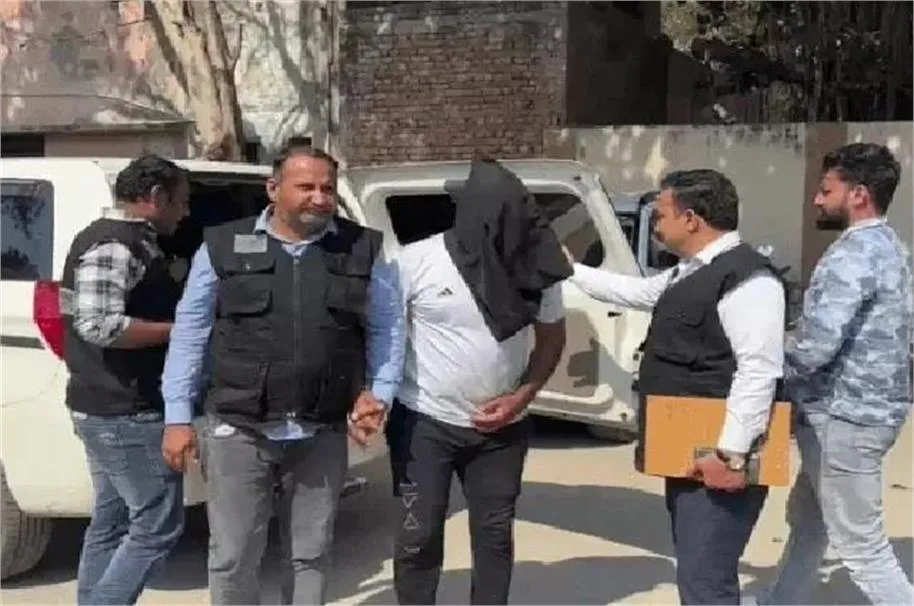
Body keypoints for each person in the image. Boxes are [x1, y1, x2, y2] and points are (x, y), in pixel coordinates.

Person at [159, 143, 405, 605]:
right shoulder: (222, 246)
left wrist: (379, 393)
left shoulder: (363, 249)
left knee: (311, 553)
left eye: (327, 188)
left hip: (320, 430)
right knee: (234, 555)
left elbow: (387, 327)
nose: (319, 198)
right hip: (238, 428)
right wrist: (176, 417)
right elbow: (190, 332)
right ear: (273, 189)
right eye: (306, 186)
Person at [565, 169, 786, 605]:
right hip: (691, 448)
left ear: (691, 219)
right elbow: (634, 292)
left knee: (706, 580)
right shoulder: (689, 272)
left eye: (662, 214)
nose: (658, 225)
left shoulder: (749, 280)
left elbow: (758, 372)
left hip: (719, 455)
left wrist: (730, 455)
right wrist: (567, 269)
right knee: (697, 573)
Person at [375, 158, 570, 604]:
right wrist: (374, 397)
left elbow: (552, 338)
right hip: (424, 423)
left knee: (494, 535)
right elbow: (384, 338)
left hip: (504, 429)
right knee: (418, 534)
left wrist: (522, 396)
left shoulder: (536, 267)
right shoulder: (415, 262)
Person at [754, 143, 913, 605]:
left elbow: (814, 347)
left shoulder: (852, 255)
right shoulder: (890, 246)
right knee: (809, 522)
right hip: (863, 414)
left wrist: (760, 358)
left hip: (844, 420)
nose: (817, 200)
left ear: (858, 194)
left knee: (863, 548)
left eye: (826, 190)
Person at [62, 154, 190, 605]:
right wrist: (179, 330)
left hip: (103, 406)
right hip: (124, 412)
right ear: (155, 197)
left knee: (111, 522)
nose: (185, 213)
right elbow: (98, 324)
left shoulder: (113, 239)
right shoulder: (117, 245)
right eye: (181, 202)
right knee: (157, 526)